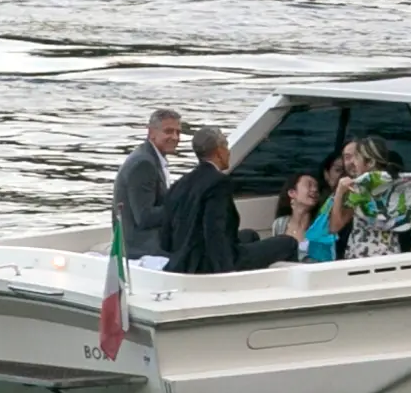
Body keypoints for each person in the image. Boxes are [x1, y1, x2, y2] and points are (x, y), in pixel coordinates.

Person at [161, 126, 298, 274]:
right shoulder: (218, 183)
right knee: (288, 243)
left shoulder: (180, 184)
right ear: (219, 151)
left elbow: (166, 238)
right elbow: (214, 229)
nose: (228, 152)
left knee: (250, 235)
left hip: (183, 260)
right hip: (208, 265)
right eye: (226, 146)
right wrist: (226, 272)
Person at [329, 135, 411, 259]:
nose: (353, 162)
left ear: (370, 162)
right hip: (392, 257)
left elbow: (334, 226)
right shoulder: (402, 185)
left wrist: (340, 191)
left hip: (360, 259)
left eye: (356, 157)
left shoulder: (358, 188)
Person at [112, 108, 181, 258]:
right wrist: (181, 207)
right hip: (140, 248)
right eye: (169, 131)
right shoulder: (143, 164)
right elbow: (144, 217)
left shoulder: (150, 158)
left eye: (178, 132)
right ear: (151, 133)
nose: (175, 137)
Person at [272, 173, 319, 262]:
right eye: (309, 185)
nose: (315, 189)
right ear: (292, 193)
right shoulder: (280, 223)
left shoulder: (319, 226)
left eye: (317, 187)